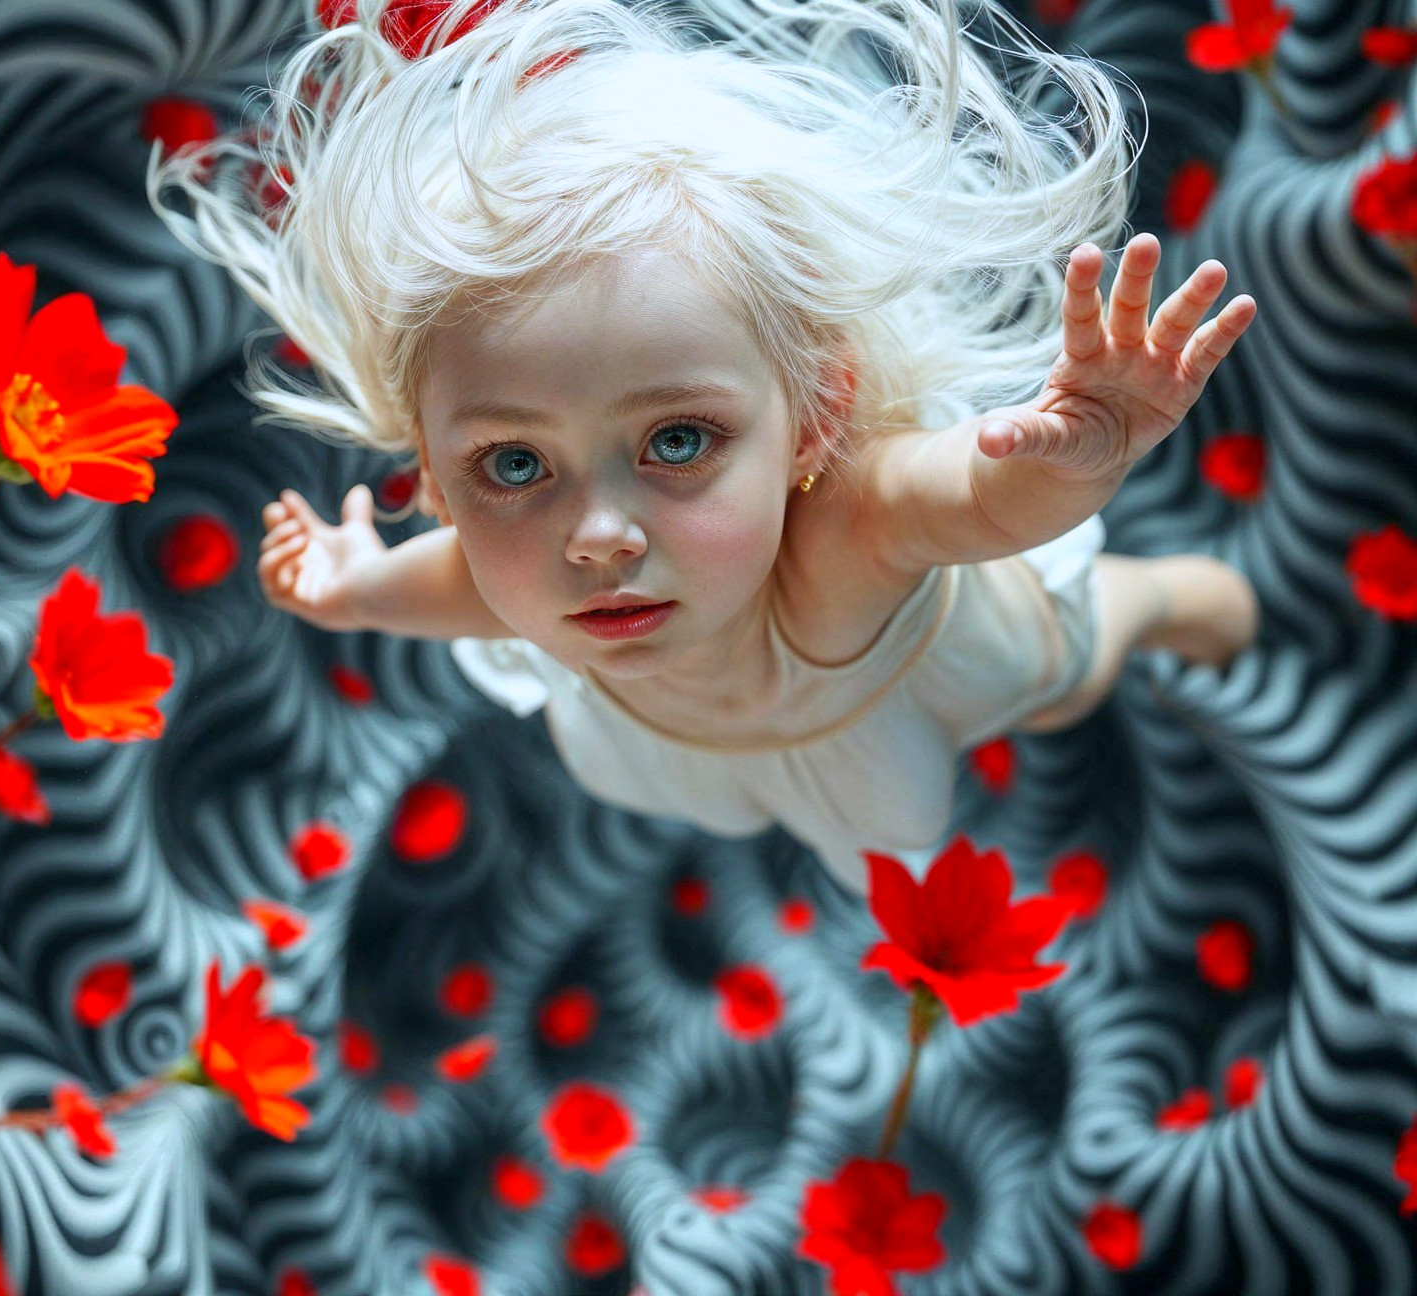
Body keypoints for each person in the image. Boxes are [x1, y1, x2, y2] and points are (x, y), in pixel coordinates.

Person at [146, 0, 1260, 892]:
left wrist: (1073, 457)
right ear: (432, 477)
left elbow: (966, 498)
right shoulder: (530, 570)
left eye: (678, 440)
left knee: (1075, 672)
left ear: (816, 417)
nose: (596, 536)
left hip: (961, 671)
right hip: (728, 750)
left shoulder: (845, 532)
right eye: (515, 464)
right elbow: (435, 588)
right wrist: (348, 588)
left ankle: (1185, 602)